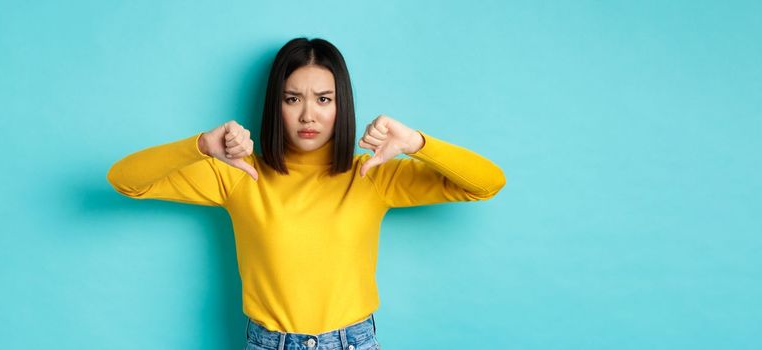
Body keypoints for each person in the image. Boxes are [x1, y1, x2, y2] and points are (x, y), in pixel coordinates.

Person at [107, 37, 506, 350]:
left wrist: (417, 143)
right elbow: (126, 179)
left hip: (353, 342)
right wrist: (200, 146)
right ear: (276, 106)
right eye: (293, 98)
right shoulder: (240, 175)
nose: (308, 115)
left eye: (324, 99)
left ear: (341, 105)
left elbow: (486, 183)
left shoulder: (371, 175)